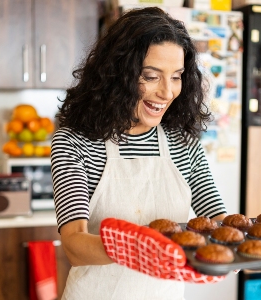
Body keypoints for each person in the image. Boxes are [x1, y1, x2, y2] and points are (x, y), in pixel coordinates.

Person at [50, 6, 228, 300]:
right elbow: (74, 246)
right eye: (151, 76)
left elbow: (219, 222)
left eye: (176, 76)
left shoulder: (183, 143)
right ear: (118, 74)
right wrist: (138, 249)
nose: (167, 92)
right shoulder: (75, 142)